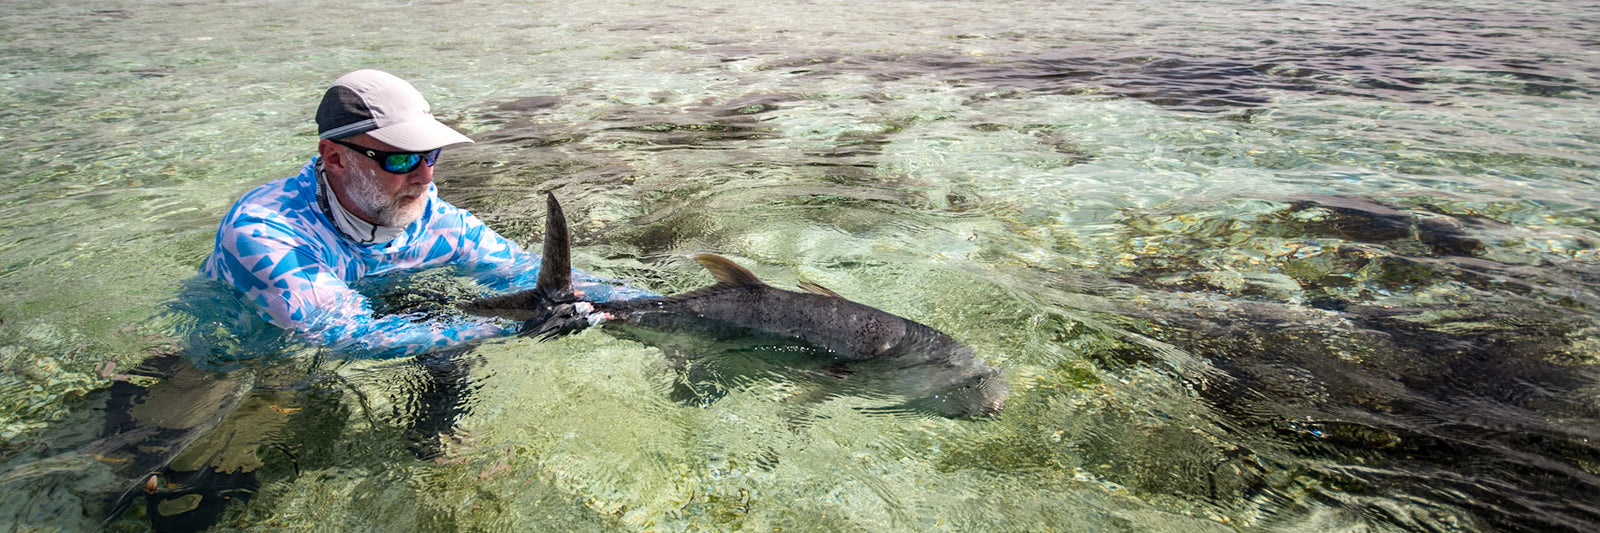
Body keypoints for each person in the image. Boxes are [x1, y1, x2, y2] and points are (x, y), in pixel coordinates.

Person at [202, 69, 647, 359]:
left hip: (364, 319)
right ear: (335, 157)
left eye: (430, 154)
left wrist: (648, 306)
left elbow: (519, 270)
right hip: (236, 365)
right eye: (400, 160)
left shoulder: (428, 216)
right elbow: (347, 337)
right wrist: (517, 326)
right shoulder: (264, 232)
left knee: (444, 342)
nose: (425, 177)